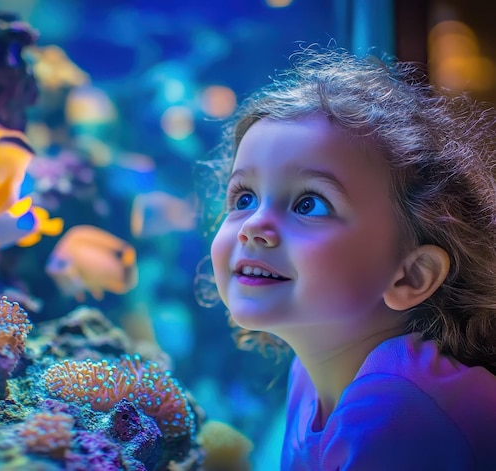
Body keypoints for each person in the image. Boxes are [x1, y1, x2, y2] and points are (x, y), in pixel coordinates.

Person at [208, 46, 496, 470]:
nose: (253, 226)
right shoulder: (313, 375)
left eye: (309, 204)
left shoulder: (397, 409)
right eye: (244, 197)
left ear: (411, 276)